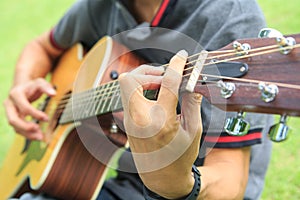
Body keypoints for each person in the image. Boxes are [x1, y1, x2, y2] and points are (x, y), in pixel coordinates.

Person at [3, 0, 273, 199]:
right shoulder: (100, 6)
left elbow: (231, 182)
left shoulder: (230, 18)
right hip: (126, 178)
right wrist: (23, 84)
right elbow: (44, 46)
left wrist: (177, 181)